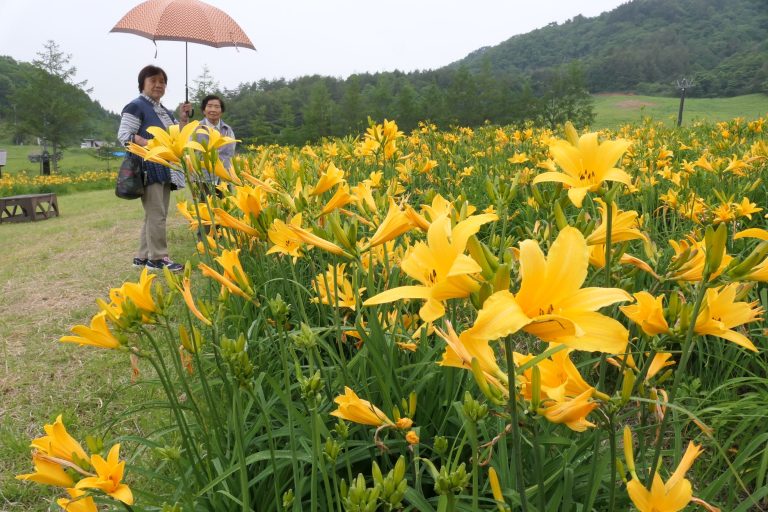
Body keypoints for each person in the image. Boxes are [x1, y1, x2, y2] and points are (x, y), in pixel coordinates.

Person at [117, 65, 192, 272]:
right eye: (153, 81)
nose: (158, 85)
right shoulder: (136, 106)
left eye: (162, 81)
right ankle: (158, 259)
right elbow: (124, 136)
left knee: (153, 214)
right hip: (148, 166)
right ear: (143, 84)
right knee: (157, 214)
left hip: (163, 166)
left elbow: (178, 136)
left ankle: (142, 257)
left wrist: (184, 118)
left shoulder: (163, 110)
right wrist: (151, 145)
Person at [195, 94, 236, 198]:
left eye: (217, 107)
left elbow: (230, 152)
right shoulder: (196, 128)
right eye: (209, 106)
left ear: (221, 111)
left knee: (226, 209)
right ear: (203, 110)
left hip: (224, 178)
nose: (213, 109)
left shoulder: (227, 129)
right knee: (205, 209)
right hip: (203, 178)